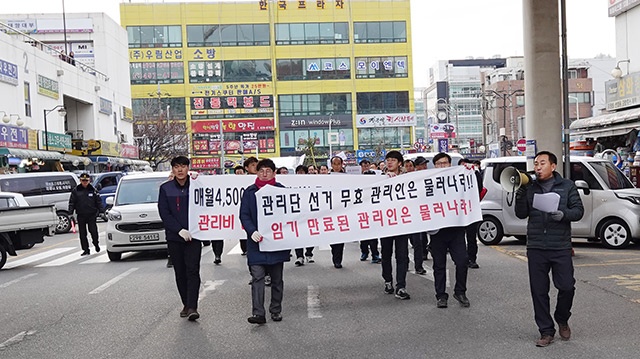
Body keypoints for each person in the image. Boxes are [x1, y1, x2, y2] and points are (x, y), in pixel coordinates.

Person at [515, 151, 584, 347]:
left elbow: (578, 211)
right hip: (536, 246)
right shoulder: (530, 187)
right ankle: (546, 331)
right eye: (536, 163)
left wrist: (563, 214)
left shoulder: (567, 186)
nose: (537, 167)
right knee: (539, 291)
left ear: (553, 166)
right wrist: (520, 194)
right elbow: (521, 214)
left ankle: (562, 317)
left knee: (567, 286)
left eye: (542, 163)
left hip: (560, 246)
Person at [240, 158, 291, 324]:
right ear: (257, 172)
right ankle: (258, 313)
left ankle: (275, 310)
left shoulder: (281, 190)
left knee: (277, 279)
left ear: (274, 173)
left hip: (276, 242)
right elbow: (244, 215)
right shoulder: (249, 191)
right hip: (256, 243)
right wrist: (251, 231)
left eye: (268, 170)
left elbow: (289, 214)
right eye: (261, 170)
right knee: (257, 277)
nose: (264, 173)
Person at [158, 156, 202, 321]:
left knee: (193, 271)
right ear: (173, 169)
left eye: (183, 166)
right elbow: (165, 213)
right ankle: (186, 303)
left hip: (194, 236)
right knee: (180, 272)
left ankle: (192, 306)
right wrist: (178, 230)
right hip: (175, 238)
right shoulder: (166, 188)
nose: (180, 170)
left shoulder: (197, 186)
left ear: (188, 168)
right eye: (177, 167)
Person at [429, 152, 470, 308]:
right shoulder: (429, 182)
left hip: (456, 229)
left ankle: (460, 291)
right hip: (437, 231)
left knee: (462, 261)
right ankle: (441, 296)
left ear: (450, 164)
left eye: (445, 163)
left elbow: (475, 189)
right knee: (439, 265)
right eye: (439, 163)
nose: (442, 166)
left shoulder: (459, 180)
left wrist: (469, 171)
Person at [379, 151, 411, 300]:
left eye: (393, 160)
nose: (389, 163)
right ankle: (387, 280)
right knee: (386, 254)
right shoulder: (379, 178)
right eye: (388, 160)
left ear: (399, 163)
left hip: (402, 222)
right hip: (385, 223)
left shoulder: (408, 178)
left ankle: (401, 286)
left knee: (402, 255)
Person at [68, 173, 102, 256]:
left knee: (93, 231)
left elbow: (98, 201)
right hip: (81, 214)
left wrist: (101, 211)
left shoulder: (93, 189)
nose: (85, 182)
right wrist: (70, 213)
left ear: (89, 181)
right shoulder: (76, 190)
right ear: (80, 181)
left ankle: (96, 244)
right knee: (83, 234)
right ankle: (86, 249)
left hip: (92, 214)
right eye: (83, 180)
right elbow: (72, 202)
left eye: (86, 180)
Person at [459, 158, 482, 269]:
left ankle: (472, 259)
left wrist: (474, 171)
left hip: (471, 211)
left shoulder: (474, 175)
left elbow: (480, 188)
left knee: (471, 237)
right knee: (459, 237)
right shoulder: (453, 178)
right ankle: (462, 257)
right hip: (457, 211)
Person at [358, 159, 381, 263]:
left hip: (373, 213)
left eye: (367, 165)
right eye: (364, 166)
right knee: (363, 236)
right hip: (361, 213)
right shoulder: (356, 179)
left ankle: (375, 254)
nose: (366, 167)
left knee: (373, 236)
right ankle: (364, 252)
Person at [294, 165, 315, 265]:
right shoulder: (292, 184)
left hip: (310, 213)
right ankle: (299, 256)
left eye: (303, 171)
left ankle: (309, 253)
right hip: (297, 214)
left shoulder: (311, 183)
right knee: (298, 236)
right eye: (299, 172)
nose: (301, 173)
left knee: (311, 235)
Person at [329, 157, 346, 268]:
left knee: (340, 237)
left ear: (342, 165)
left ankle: (338, 260)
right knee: (332, 237)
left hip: (343, 210)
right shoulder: (326, 178)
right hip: (330, 211)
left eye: (338, 164)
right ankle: (335, 255)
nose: (336, 166)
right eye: (334, 164)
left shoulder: (347, 178)